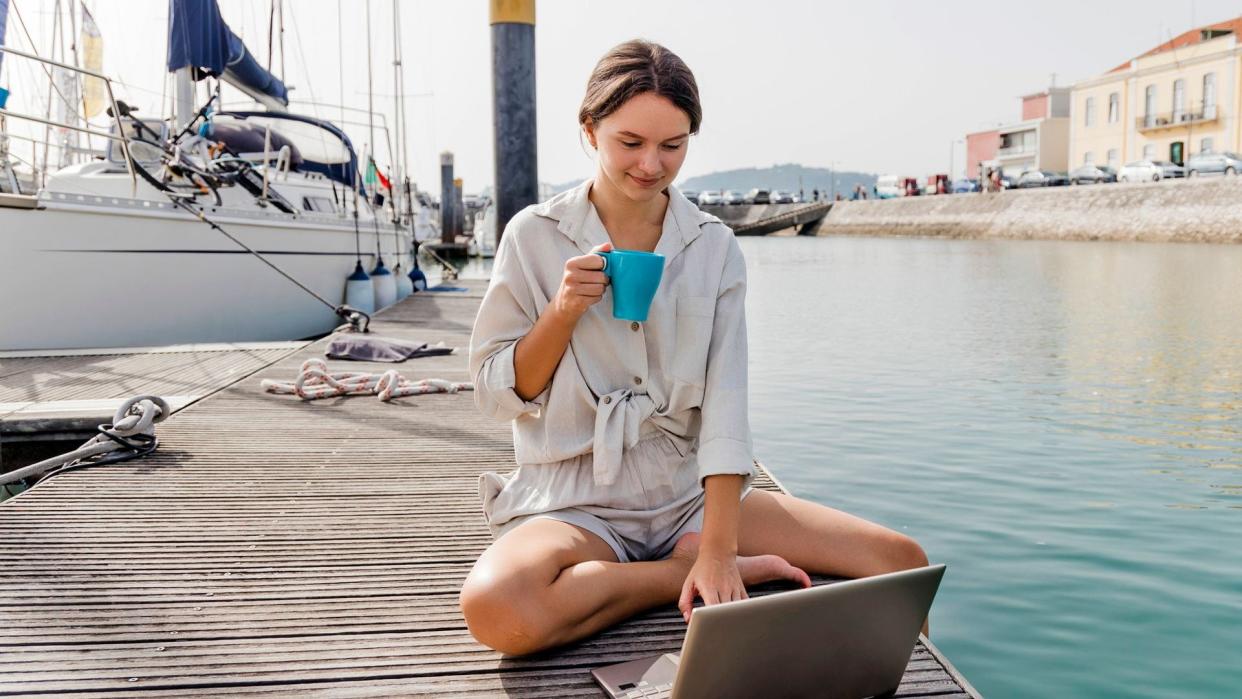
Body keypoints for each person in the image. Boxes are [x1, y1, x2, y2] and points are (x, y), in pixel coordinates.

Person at [460, 39, 929, 657]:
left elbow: (726, 407)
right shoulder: (533, 236)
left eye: (672, 145)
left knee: (903, 561)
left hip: (687, 496)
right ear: (589, 130)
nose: (651, 165)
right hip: (575, 500)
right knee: (498, 606)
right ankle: (670, 577)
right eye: (630, 143)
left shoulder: (713, 248)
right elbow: (497, 397)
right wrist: (563, 309)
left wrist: (718, 547)